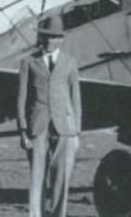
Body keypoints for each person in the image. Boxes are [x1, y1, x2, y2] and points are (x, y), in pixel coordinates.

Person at [17, 15, 82, 217]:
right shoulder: (28, 62)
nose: (48, 41)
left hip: (65, 128)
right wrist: (23, 130)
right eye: (45, 36)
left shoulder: (70, 63)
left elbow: (75, 98)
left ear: (60, 39)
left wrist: (77, 131)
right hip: (38, 126)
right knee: (36, 177)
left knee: (61, 178)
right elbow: (22, 98)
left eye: (53, 37)